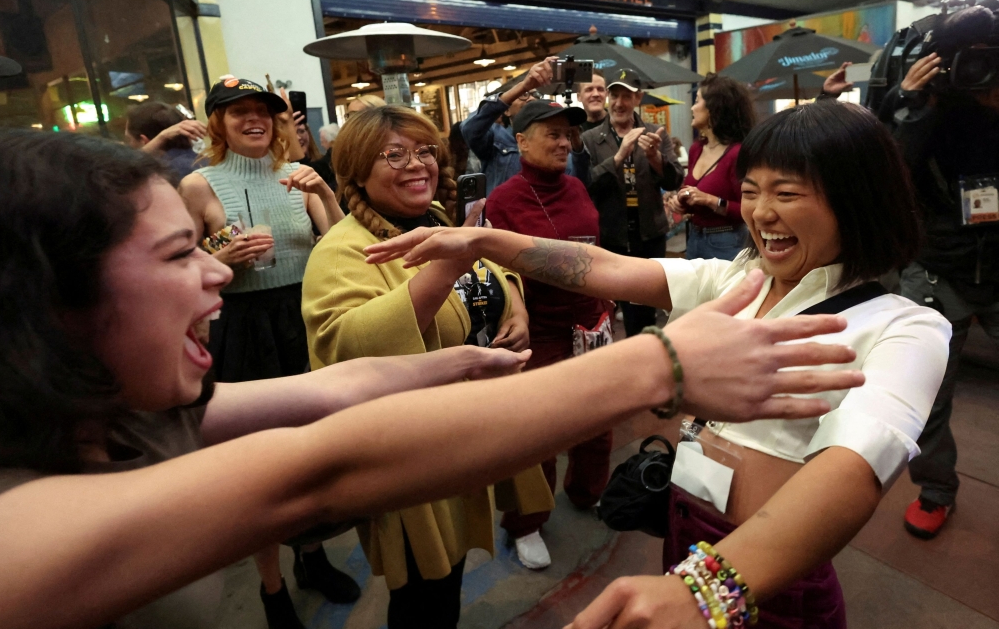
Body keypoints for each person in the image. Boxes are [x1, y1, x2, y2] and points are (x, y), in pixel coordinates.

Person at [0, 128, 872, 629]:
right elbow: (319, 465)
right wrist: (660, 365)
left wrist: (469, 329)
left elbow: (335, 390)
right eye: (183, 253)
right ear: (56, 301)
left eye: (787, 192)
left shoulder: (902, 323)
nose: (220, 273)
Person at [365, 99, 952, 629]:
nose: (761, 213)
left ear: (857, 199)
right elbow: (604, 268)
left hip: (763, 575)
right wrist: (485, 243)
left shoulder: (907, 327)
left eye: (788, 193)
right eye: (750, 191)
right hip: (684, 539)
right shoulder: (739, 280)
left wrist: (707, 591)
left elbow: (852, 474)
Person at [301, 105, 546, 629]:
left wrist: (517, 306)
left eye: (425, 151)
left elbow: (494, 271)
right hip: (409, 452)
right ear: (357, 173)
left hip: (464, 430)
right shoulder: (342, 250)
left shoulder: (436, 222)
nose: (417, 165)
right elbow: (347, 345)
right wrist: (450, 263)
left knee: (449, 573)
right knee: (423, 590)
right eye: (394, 154)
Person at [177, 77, 346, 628]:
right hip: (245, 328)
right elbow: (185, 270)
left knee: (310, 450)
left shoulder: (297, 177)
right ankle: (272, 588)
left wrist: (323, 192)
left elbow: (345, 249)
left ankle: (312, 558)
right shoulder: (198, 184)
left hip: (304, 318)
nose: (254, 120)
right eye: (239, 112)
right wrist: (225, 254)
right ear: (217, 124)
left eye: (264, 112)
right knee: (260, 464)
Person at [885, 6, 999, 541]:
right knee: (928, 393)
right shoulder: (924, 105)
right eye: (977, 65)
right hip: (936, 270)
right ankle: (935, 490)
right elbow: (890, 172)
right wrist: (912, 102)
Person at [486, 99, 613, 571]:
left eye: (568, 135)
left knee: (597, 422)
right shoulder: (504, 201)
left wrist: (605, 304)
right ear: (520, 141)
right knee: (537, 435)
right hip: (538, 333)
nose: (564, 143)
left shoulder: (578, 188)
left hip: (590, 324)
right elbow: (500, 276)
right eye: (552, 134)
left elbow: (596, 254)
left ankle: (588, 491)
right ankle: (527, 522)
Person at [577, 68, 684, 336]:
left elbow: (674, 181)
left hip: (650, 236)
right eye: (614, 95)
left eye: (627, 96)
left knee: (646, 309)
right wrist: (618, 156)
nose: (619, 103)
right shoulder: (590, 139)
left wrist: (655, 159)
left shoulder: (655, 134)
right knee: (609, 307)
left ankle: (648, 361)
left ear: (638, 98)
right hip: (611, 237)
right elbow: (584, 185)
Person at [668, 73, 756, 261]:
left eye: (697, 101)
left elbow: (749, 208)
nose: (692, 107)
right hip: (693, 238)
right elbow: (691, 191)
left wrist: (711, 200)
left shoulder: (737, 153)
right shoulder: (696, 149)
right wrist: (681, 202)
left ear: (714, 109)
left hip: (727, 241)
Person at [462, 58, 552, 194]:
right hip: (502, 213)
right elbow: (469, 128)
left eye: (536, 95)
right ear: (507, 110)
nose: (532, 99)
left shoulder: (552, 139)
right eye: (524, 95)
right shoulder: (496, 138)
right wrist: (522, 86)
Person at [124, 101, 206, 179]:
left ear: (143, 140)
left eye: (129, 139)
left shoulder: (158, 176)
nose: (128, 145)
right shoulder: (206, 161)